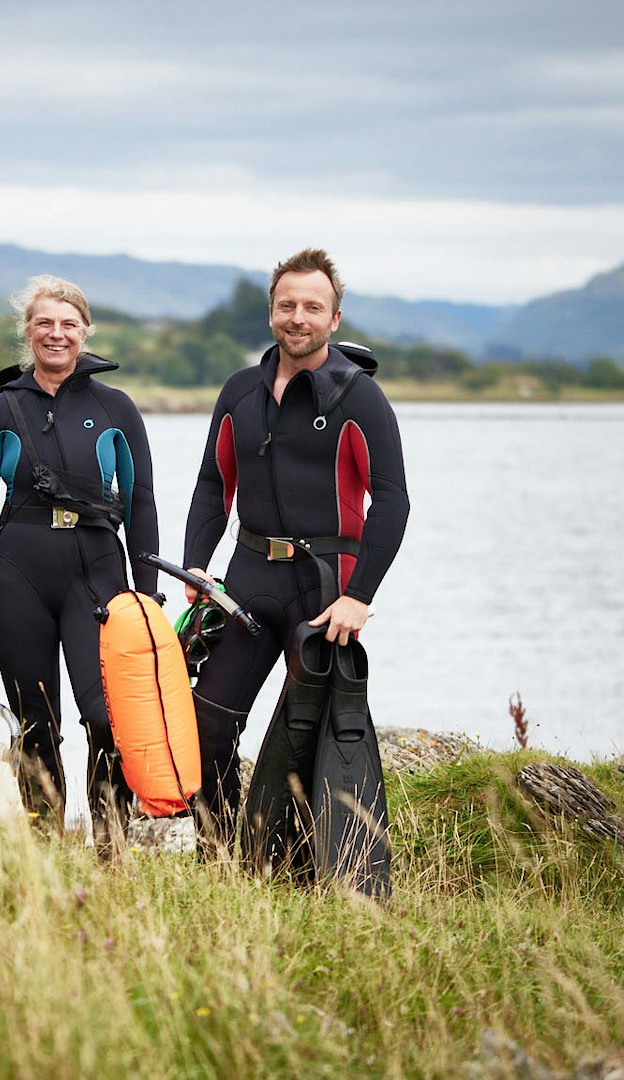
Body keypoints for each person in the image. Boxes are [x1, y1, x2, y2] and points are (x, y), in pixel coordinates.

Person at [180, 248, 410, 858]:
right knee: (206, 725)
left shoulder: (360, 399)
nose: (298, 317)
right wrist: (197, 564)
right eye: (287, 305)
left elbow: (392, 501)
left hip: (324, 588)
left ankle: (313, 869)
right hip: (248, 578)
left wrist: (359, 596)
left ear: (336, 319)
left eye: (313, 306)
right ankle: (225, 856)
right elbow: (212, 483)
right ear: (271, 313)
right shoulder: (239, 392)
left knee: (313, 737)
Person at [0, 275, 160, 858]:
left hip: (96, 574)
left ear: (85, 333)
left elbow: (140, 502)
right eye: (45, 322)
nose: (56, 333)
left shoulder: (114, 407)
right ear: (28, 331)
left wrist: (146, 596)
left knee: (107, 719)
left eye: (69, 324)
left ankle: (111, 852)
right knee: (35, 722)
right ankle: (43, 853)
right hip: (14, 575)